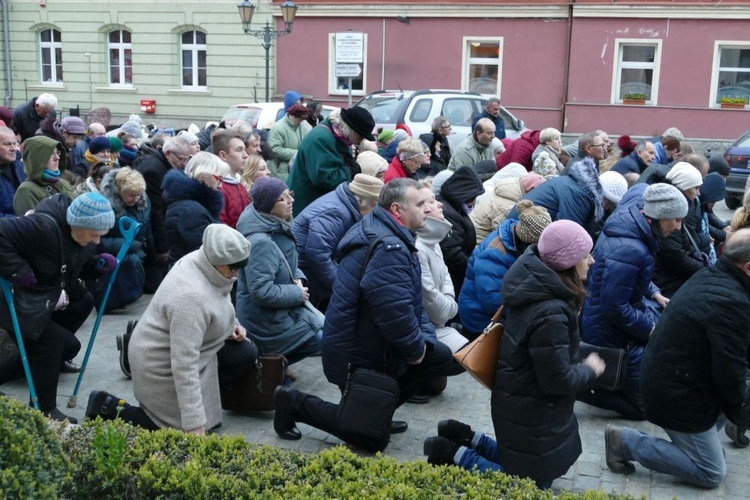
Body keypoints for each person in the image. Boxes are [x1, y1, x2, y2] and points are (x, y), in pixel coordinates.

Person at [272, 178, 454, 451]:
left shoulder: (391, 233)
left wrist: (425, 339)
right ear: (397, 209)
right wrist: (417, 349)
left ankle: (377, 409)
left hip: (372, 345)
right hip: (358, 352)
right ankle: (293, 403)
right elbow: (394, 312)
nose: (427, 210)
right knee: (371, 440)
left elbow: (411, 304)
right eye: (420, 204)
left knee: (438, 356)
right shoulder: (389, 246)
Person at [423, 220, 604, 490]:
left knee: (524, 466)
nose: (591, 260)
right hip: (532, 407)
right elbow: (556, 380)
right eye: (585, 254)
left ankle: (467, 438)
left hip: (519, 398)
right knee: (531, 484)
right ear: (567, 261)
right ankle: (452, 453)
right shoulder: (551, 310)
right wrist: (589, 370)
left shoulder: (538, 283)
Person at [604, 229, 750, 488]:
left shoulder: (718, 275)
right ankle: (624, 441)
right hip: (675, 393)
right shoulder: (730, 301)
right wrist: (741, 410)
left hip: (676, 377)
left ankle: (705, 442)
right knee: (712, 473)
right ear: (748, 267)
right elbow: (730, 372)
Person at [85, 224, 258, 434]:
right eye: (233, 268)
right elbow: (184, 363)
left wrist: (233, 324)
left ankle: (199, 404)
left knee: (244, 353)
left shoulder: (203, 259)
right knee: (170, 427)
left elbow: (218, 298)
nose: (236, 274)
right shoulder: (190, 298)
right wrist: (194, 423)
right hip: (158, 366)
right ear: (217, 260)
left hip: (175, 346)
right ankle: (108, 406)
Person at [0, 193, 117, 423]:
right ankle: (43, 410)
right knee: (51, 341)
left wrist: (96, 265)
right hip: (13, 298)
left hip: (41, 297)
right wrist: (19, 271)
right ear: (79, 225)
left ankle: (43, 359)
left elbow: (74, 267)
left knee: (76, 321)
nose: (96, 241)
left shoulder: (81, 237)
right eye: (94, 235)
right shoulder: (41, 227)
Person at [579, 183, 686, 420]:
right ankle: (577, 390)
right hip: (610, 334)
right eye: (675, 220)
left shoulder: (634, 224)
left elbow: (628, 276)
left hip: (615, 325)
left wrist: (655, 292)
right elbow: (615, 308)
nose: (678, 227)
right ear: (658, 216)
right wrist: (651, 330)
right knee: (644, 409)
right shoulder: (630, 248)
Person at [236, 177, 324, 364]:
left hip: (281, 311)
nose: (291, 200)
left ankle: (276, 367)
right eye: (283, 198)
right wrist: (297, 293)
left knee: (327, 334)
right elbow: (261, 291)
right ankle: (270, 365)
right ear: (268, 206)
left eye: (289, 195)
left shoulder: (277, 225)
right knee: (324, 341)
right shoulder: (260, 241)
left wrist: (298, 277)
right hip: (265, 321)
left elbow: (285, 263)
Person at [459, 200, 552, 339]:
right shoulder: (495, 254)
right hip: (481, 319)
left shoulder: (517, 236)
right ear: (528, 240)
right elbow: (491, 299)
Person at [293, 174, 383, 310]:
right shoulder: (336, 212)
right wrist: (342, 287)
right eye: (374, 207)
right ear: (365, 202)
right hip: (304, 271)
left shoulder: (346, 203)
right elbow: (318, 256)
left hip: (313, 267)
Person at [287, 107, 375, 217]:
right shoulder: (321, 139)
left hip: (320, 204)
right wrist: (350, 171)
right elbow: (324, 179)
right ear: (351, 130)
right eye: (360, 136)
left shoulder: (340, 137)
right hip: (308, 204)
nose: (360, 141)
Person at [416, 181, 470, 354]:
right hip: (428, 328)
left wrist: (448, 300)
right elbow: (429, 296)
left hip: (442, 317)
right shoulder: (418, 248)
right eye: (431, 201)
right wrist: (451, 307)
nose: (439, 204)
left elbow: (445, 274)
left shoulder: (433, 237)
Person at [136, 135, 193, 291]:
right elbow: (156, 211)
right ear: (168, 154)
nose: (184, 163)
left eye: (187, 159)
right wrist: (162, 247)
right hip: (151, 234)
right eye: (181, 159)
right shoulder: (154, 170)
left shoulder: (163, 166)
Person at [96, 167, 153, 312]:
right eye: (131, 195)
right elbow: (98, 240)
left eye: (138, 195)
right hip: (117, 255)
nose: (136, 199)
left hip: (137, 253)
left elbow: (148, 228)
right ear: (119, 192)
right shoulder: (104, 206)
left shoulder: (143, 202)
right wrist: (126, 245)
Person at [506, 157, 605, 238]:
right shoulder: (579, 195)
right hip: (519, 235)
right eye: (609, 203)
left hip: (513, 229)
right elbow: (563, 235)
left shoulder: (572, 182)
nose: (607, 208)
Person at [162, 152, 228, 264]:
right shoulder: (191, 211)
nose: (221, 185)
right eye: (219, 179)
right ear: (201, 176)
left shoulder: (190, 205)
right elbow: (207, 253)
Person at [652, 162, 706, 297]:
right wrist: (702, 268)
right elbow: (673, 254)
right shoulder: (671, 210)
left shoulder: (684, 205)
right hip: (666, 281)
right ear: (684, 187)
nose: (698, 193)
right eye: (696, 188)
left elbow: (684, 242)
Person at [437, 166, 485, 296]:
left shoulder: (454, 207)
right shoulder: (447, 212)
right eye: (473, 197)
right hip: (455, 279)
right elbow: (452, 253)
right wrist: (474, 269)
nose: (474, 201)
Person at [471, 172, 545, 244]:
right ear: (531, 191)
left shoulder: (509, 189)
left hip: (473, 232)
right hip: (477, 242)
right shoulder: (508, 206)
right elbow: (501, 232)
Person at [13, 135, 75, 216]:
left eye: (57, 153)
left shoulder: (64, 183)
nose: (57, 158)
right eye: (50, 154)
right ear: (37, 158)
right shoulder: (26, 190)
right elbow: (33, 225)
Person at [212, 130, 250, 229]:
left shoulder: (239, 183)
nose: (245, 155)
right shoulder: (218, 188)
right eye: (239, 150)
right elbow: (222, 229)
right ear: (223, 155)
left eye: (244, 149)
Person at [267, 103, 309, 181]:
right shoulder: (278, 128)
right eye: (299, 119)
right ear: (292, 115)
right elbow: (274, 149)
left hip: (295, 169)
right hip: (281, 172)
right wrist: (297, 154)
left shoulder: (302, 126)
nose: (301, 122)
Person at [0, 126, 24, 218]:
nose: (13, 148)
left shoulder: (22, 167)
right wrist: (20, 220)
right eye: (7, 144)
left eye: (15, 144)